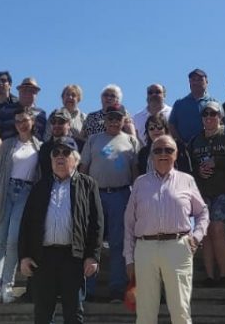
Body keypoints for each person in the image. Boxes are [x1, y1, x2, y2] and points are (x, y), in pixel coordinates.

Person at [18, 137, 103, 324]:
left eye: (66, 153)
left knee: (73, 314)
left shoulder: (88, 185)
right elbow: (26, 224)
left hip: (72, 258)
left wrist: (93, 256)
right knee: (42, 314)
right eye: (56, 153)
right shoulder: (40, 186)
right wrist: (24, 256)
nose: (60, 157)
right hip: (43, 258)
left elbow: (96, 224)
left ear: (76, 159)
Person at [124, 135, 209, 324]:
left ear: (176, 154)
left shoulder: (187, 180)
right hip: (145, 249)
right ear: (151, 156)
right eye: (158, 150)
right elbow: (129, 222)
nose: (163, 154)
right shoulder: (140, 183)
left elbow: (202, 212)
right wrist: (129, 258)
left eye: (168, 150)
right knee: (145, 314)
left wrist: (196, 237)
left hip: (178, 248)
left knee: (180, 311)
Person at [80, 105, 140, 302]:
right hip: (95, 194)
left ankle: (116, 288)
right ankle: (88, 288)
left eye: (118, 118)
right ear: (104, 120)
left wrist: (135, 197)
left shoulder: (131, 140)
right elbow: (83, 168)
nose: (114, 121)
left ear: (124, 120)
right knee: (91, 241)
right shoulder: (93, 140)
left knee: (118, 243)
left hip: (121, 195)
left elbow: (134, 171)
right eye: (110, 118)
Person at [0, 106, 42, 303]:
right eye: (17, 121)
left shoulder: (39, 147)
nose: (21, 125)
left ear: (32, 121)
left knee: (13, 241)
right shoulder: (7, 145)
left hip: (25, 193)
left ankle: (7, 286)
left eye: (25, 120)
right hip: (4, 192)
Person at [187, 100, 225, 286]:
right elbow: (190, 166)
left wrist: (217, 162)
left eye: (213, 114)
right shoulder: (195, 140)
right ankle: (210, 276)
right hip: (202, 192)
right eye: (205, 114)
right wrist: (199, 171)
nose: (209, 117)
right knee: (204, 231)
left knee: (218, 228)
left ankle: (224, 275)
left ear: (220, 116)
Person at [168, 68, 215, 145]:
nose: (196, 82)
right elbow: (171, 126)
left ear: (207, 82)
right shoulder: (179, 104)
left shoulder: (215, 103)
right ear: (189, 82)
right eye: (193, 80)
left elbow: (221, 125)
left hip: (208, 148)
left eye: (200, 79)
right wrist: (181, 143)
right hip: (184, 150)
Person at [39, 108, 77, 176]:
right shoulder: (44, 148)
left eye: (61, 122)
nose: (56, 125)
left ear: (69, 124)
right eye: (53, 122)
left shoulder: (79, 145)